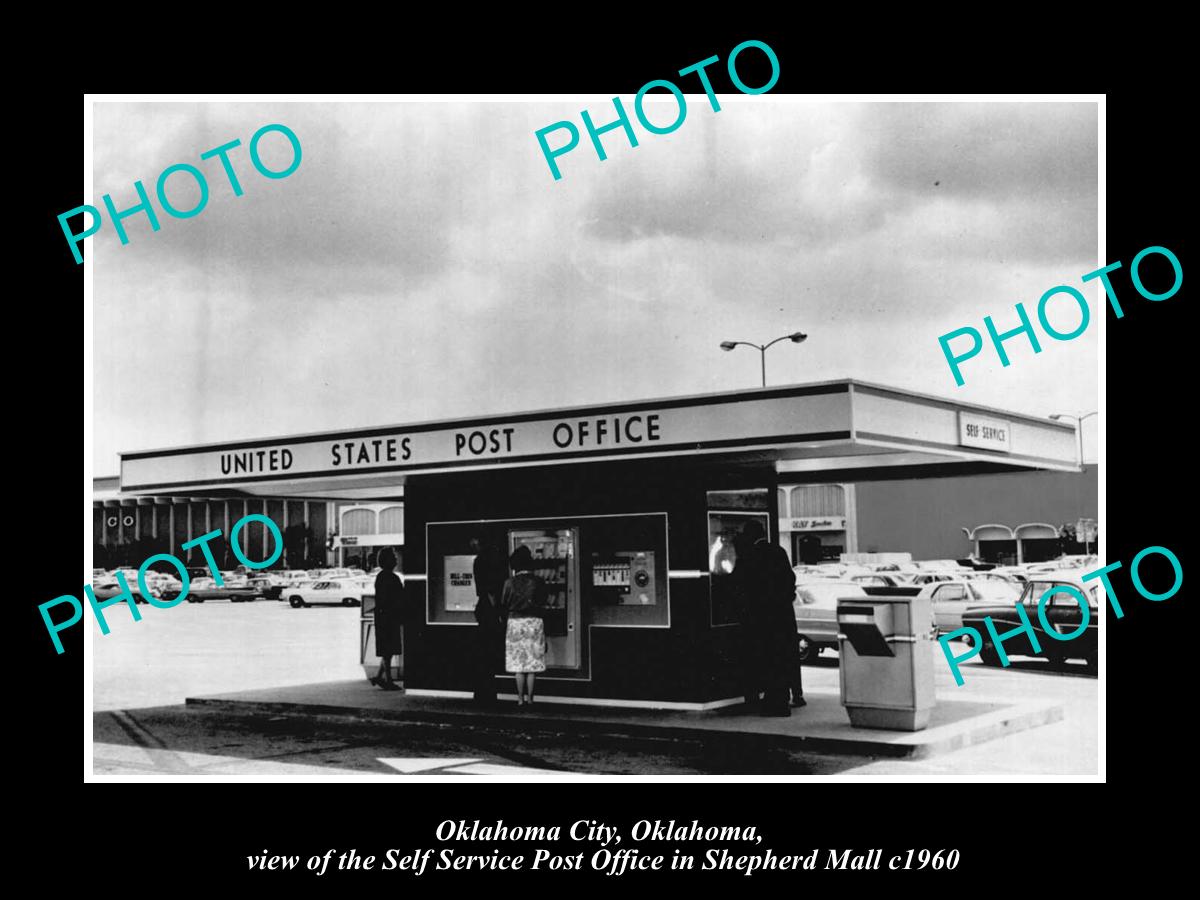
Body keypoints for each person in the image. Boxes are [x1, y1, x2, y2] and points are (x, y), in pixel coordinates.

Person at [734, 520, 803, 716]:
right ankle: (784, 699)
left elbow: (739, 584)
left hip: (758, 618)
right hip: (782, 616)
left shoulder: (748, 556)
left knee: (757, 659)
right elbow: (790, 580)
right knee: (781, 658)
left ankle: (757, 701)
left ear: (749, 536)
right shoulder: (779, 552)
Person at [499, 545, 548, 706]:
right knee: (532, 665)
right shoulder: (538, 582)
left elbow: (504, 603)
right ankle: (531, 699)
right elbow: (543, 602)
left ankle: (520, 699)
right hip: (534, 622)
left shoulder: (509, 583)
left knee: (518, 665)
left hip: (515, 623)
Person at [471, 539, 508, 704]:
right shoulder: (492, 562)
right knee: (491, 653)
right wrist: (499, 613)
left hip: (483, 609)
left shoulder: (478, 562)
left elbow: (484, 590)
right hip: (490, 612)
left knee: (483, 654)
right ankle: (489, 691)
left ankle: (482, 692)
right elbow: (492, 592)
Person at [370, 547, 404, 691]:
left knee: (386, 650)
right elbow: (398, 597)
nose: (396, 560)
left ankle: (379, 677)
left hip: (383, 616)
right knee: (388, 649)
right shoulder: (391, 577)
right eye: (394, 557)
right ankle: (388, 680)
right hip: (390, 617)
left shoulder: (381, 576)